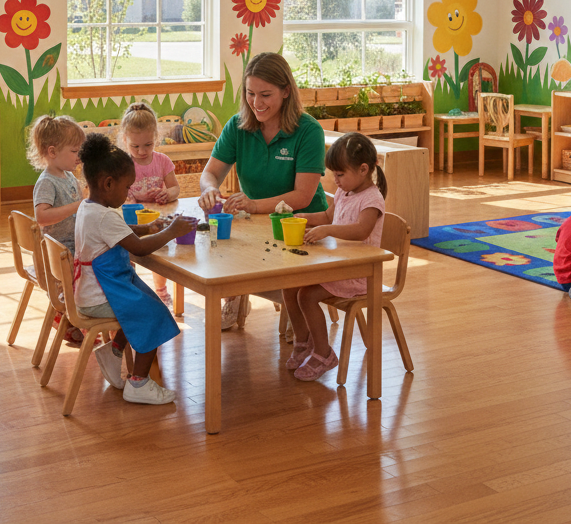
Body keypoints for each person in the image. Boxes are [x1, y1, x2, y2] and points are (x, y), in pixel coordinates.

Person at [198, 52, 327, 329]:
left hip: (302, 226)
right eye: (250, 93)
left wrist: (254, 205)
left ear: (286, 91)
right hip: (256, 222)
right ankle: (234, 294)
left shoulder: (309, 131)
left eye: (265, 95)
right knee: (223, 243)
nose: (256, 103)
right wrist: (209, 189)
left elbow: (302, 196)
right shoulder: (237, 126)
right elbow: (210, 173)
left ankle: (296, 308)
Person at [74, 132, 196, 405]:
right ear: (108, 183)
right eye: (127, 186)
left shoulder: (88, 207)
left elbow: (119, 232)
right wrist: (171, 232)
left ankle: (114, 351)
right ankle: (139, 383)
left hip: (92, 291)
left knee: (146, 302)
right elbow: (138, 248)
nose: (128, 191)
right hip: (100, 297)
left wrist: (146, 227)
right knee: (153, 315)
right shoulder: (105, 216)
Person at [282, 132, 387, 380]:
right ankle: (303, 341)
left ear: (363, 169)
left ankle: (324, 353)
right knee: (289, 285)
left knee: (307, 296)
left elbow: (361, 230)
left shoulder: (372, 199)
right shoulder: (344, 192)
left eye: (340, 175)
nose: (335, 181)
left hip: (358, 273)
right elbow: (328, 216)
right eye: (334, 174)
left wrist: (327, 230)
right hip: (336, 265)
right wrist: (303, 218)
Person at [29, 115, 87, 344]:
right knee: (94, 271)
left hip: (72, 245)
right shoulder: (47, 182)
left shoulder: (69, 176)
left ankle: (72, 317)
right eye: (74, 151)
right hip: (60, 253)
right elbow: (41, 217)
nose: (79, 156)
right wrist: (77, 205)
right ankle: (68, 314)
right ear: (52, 152)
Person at [120, 102, 181, 310]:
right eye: (135, 146)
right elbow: (117, 195)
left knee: (159, 256)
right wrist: (130, 198)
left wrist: (167, 193)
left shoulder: (162, 161)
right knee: (128, 258)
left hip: (157, 220)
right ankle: (131, 293)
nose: (142, 151)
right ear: (125, 140)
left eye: (148, 145)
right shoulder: (123, 164)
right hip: (131, 223)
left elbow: (175, 188)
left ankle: (161, 292)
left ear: (156, 137)